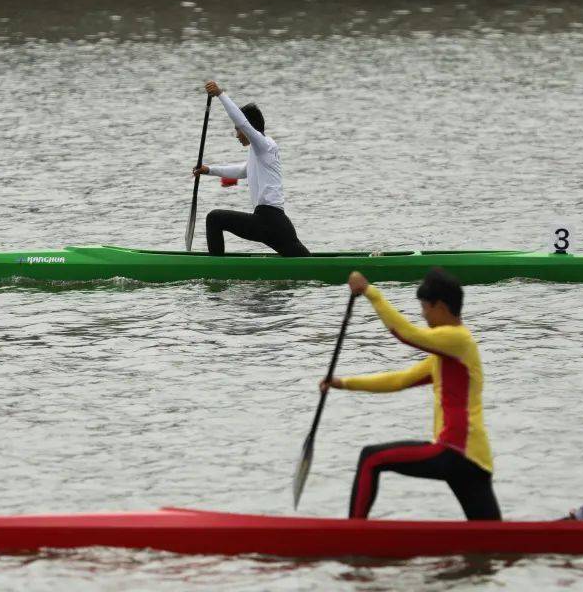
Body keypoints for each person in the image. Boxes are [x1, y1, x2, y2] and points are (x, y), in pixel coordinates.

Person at [321, 267, 501, 520]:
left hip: (454, 450)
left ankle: (352, 535)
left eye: (425, 307)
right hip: (476, 462)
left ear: (440, 306)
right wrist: (343, 383)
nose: (423, 314)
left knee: (371, 458)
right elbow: (399, 380)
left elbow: (406, 334)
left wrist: (370, 292)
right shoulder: (448, 355)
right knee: (492, 537)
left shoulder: (457, 339)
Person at [193, 80, 310, 257]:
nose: (237, 135)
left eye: (238, 130)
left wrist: (220, 94)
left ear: (247, 128)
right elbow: (242, 171)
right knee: (304, 262)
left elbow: (242, 121)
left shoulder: (264, 145)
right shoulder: (261, 150)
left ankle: (216, 270)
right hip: (274, 222)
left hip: (269, 220)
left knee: (214, 218)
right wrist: (209, 170)